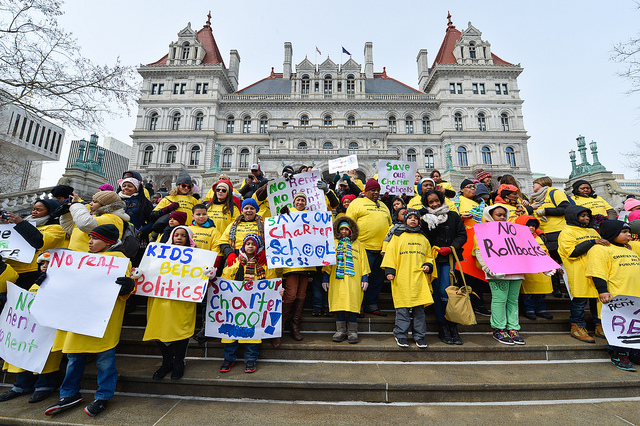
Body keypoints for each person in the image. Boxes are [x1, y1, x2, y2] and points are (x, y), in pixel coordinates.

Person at [44, 224, 135, 417]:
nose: (90, 242)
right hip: (78, 317)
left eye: (95, 238)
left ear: (109, 241)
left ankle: (103, 396)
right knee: (74, 358)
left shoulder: (119, 260)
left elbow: (124, 292)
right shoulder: (80, 259)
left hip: (102, 320)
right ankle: (68, 394)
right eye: (89, 238)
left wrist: (128, 288)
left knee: (105, 361)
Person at [0, 252, 62, 404]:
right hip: (29, 331)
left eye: (48, 263)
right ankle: (21, 385)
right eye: (42, 264)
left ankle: (45, 385)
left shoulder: (62, 284)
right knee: (24, 354)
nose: (44, 266)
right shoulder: (35, 282)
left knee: (46, 358)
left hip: (48, 332)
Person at [143, 226, 197, 381]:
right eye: (176, 235)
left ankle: (179, 362)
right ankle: (167, 362)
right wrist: (139, 274)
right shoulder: (159, 254)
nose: (179, 238)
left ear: (189, 239)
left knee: (180, 330)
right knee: (159, 329)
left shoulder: (197, 257)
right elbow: (149, 270)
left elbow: (198, 277)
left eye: (183, 236)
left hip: (182, 301)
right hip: (160, 300)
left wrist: (208, 273)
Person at [219, 233, 279, 373]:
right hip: (236, 304)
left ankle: (251, 359)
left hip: (255, 306)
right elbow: (225, 277)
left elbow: (271, 283)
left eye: (253, 244)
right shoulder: (236, 262)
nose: (250, 246)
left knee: (254, 333)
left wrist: (278, 292)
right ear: (243, 246)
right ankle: (229, 359)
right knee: (230, 333)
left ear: (257, 247)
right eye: (247, 244)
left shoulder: (264, 265)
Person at [586, 220, 640, 371]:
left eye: (629, 232)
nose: (628, 234)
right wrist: (602, 290)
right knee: (620, 327)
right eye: (624, 232)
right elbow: (598, 272)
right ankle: (619, 354)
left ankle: (634, 353)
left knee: (634, 326)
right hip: (616, 296)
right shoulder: (600, 250)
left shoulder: (629, 249)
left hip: (635, 295)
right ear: (612, 233)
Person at [382, 209, 434, 348]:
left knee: (419, 310)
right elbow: (390, 253)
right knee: (402, 309)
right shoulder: (398, 236)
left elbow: (429, 255)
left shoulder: (423, 238)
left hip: (418, 279)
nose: (413, 220)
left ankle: (420, 336)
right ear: (405, 220)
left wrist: (428, 265)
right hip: (402, 277)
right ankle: (401, 335)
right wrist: (389, 270)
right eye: (410, 217)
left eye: (415, 218)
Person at [474, 205, 525, 345]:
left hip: (516, 271)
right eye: (498, 215)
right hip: (497, 272)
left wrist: (542, 266)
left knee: (513, 300)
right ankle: (499, 329)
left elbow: (525, 249)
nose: (502, 217)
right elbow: (479, 251)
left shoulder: (514, 231)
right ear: (490, 216)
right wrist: (487, 268)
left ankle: (513, 328)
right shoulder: (482, 231)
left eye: (504, 214)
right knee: (500, 300)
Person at [420, 190, 467, 345]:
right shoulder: (424, 218)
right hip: (433, 259)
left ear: (441, 199)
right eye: (430, 202)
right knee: (438, 292)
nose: (434, 204)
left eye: (436, 201)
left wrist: (451, 247)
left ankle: (452, 325)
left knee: (447, 291)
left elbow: (462, 235)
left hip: (449, 258)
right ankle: (443, 326)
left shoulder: (453, 216)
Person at [558, 205, 607, 343]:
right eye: (582, 216)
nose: (586, 218)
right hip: (579, 271)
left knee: (597, 301)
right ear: (573, 216)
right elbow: (572, 252)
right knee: (579, 302)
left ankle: (599, 325)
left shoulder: (593, 231)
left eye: (587, 216)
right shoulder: (567, 232)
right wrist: (592, 242)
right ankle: (577, 327)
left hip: (596, 271)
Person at [346, 179, 392, 316]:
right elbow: (348, 224)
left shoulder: (383, 205)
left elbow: (389, 225)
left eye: (378, 190)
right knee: (361, 280)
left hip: (381, 250)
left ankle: (371, 304)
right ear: (366, 191)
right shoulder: (356, 203)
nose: (376, 192)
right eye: (373, 190)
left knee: (376, 280)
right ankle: (359, 305)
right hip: (362, 248)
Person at [322, 218, 370, 344]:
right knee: (339, 303)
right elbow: (328, 261)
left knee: (353, 303)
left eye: (346, 229)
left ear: (351, 231)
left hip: (354, 279)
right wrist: (325, 277)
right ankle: (341, 330)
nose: (344, 231)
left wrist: (365, 277)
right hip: (337, 279)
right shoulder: (333, 243)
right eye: (341, 229)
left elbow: (363, 261)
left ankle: (353, 331)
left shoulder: (358, 244)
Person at [0, 199, 67, 289]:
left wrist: (21, 223)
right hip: (11, 270)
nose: (34, 212)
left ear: (50, 212)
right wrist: (5, 226)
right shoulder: (19, 224)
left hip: (32, 272)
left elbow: (39, 242)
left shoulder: (57, 229)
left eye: (39, 210)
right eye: (33, 209)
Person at [278, 193, 316, 342]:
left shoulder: (311, 216)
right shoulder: (287, 213)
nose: (300, 202)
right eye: (298, 200)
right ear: (294, 202)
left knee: (301, 294)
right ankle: (279, 327)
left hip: (307, 263)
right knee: (290, 294)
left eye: (303, 200)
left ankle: (295, 326)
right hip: (291, 262)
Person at [529, 176, 571, 298]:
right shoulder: (535, 198)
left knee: (563, 262)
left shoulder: (555, 192)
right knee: (550, 262)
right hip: (543, 233)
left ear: (542, 183)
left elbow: (565, 208)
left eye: (535, 183)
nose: (533, 186)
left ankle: (569, 289)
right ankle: (556, 288)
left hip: (558, 231)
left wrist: (546, 211)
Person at [60, 191, 129, 253]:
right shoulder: (95, 217)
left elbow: (85, 224)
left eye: (94, 202)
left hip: (90, 261)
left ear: (105, 205)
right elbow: (69, 228)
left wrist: (76, 205)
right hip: (76, 258)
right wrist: (67, 212)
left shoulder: (113, 218)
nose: (90, 203)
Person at [515, 215, 555, 320]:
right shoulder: (517, 238)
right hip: (527, 270)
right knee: (527, 293)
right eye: (528, 226)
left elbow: (545, 251)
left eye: (533, 226)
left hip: (540, 269)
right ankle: (529, 309)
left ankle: (541, 309)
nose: (532, 228)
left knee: (539, 292)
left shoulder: (538, 237)